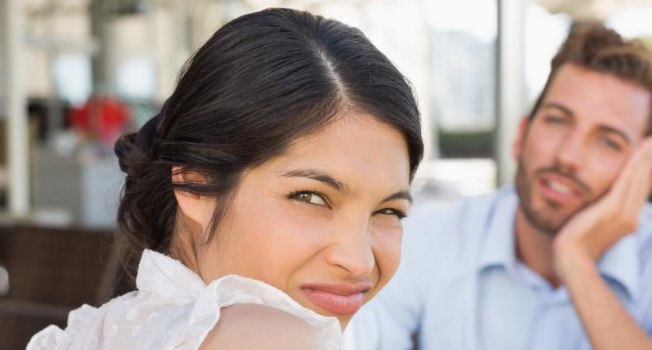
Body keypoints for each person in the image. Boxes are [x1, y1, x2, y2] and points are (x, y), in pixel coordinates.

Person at [28, 7, 423, 350]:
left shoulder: (103, 331)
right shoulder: (270, 336)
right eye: (310, 196)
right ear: (193, 183)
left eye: (389, 210)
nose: (358, 261)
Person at [356, 24, 652, 350]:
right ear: (522, 136)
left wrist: (577, 261)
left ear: (645, 179)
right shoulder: (429, 241)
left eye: (608, 141)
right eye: (557, 121)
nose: (569, 156)